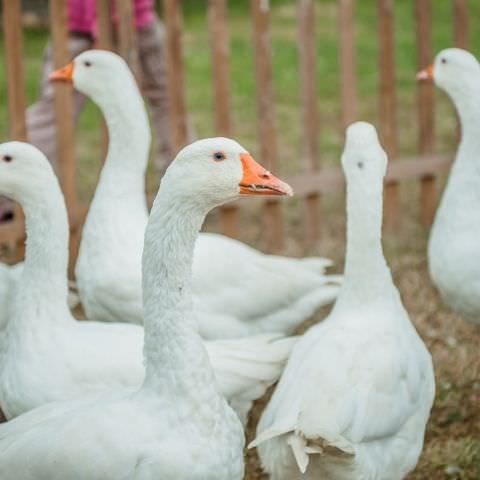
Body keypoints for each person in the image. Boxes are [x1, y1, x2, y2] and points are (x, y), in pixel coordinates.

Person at [0, 0, 173, 222]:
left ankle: (181, 189)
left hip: (134, 20)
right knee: (54, 111)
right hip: (84, 24)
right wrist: (97, 23)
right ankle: (11, 191)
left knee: (167, 99)